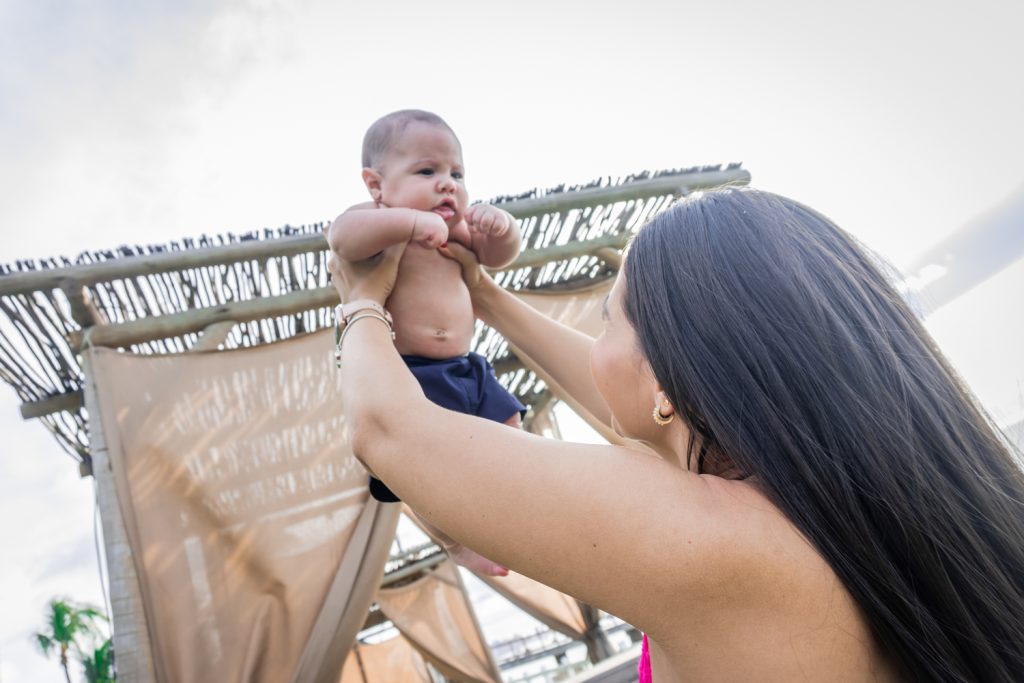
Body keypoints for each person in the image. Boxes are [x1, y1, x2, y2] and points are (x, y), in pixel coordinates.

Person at [328, 186, 1024, 681]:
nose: (596, 344)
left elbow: (392, 430)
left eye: (607, 318)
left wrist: (360, 303)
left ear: (669, 374)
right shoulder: (839, 502)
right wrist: (482, 296)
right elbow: (636, 396)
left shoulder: (711, 539)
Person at [326, 109, 524, 577]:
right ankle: (455, 540)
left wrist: (502, 229)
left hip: (468, 367)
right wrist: (409, 226)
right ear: (376, 186)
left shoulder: (456, 230)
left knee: (510, 422)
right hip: (411, 375)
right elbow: (341, 239)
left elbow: (497, 257)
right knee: (423, 470)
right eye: (427, 171)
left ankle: (521, 500)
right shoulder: (377, 221)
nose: (448, 184)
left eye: (457, 173)